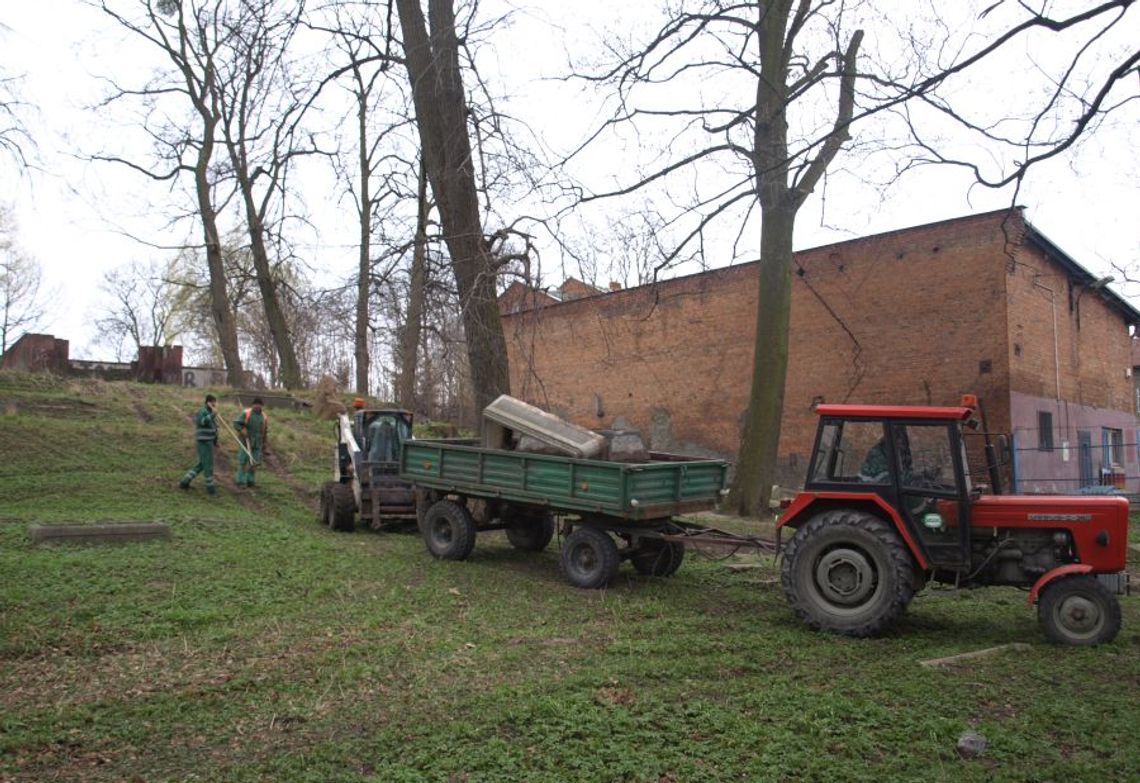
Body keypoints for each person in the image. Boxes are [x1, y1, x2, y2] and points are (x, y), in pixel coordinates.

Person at [179, 394, 219, 495]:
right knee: (208, 465)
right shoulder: (203, 411)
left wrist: (215, 441)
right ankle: (211, 489)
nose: (215, 404)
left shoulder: (210, 413)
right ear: (208, 402)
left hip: (209, 441)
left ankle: (185, 481)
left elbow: (214, 428)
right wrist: (212, 415)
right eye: (214, 402)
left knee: (202, 464)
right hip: (204, 441)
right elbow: (202, 422)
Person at [233, 397, 269, 487]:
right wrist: (242, 430)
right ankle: (240, 481)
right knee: (243, 462)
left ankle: (250, 480)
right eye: (256, 404)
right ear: (253, 405)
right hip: (246, 441)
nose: (257, 406)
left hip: (257, 442)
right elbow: (236, 423)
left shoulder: (264, 417)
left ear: (262, 406)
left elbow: (265, 431)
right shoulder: (246, 413)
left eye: (259, 405)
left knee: (254, 462)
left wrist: (264, 444)